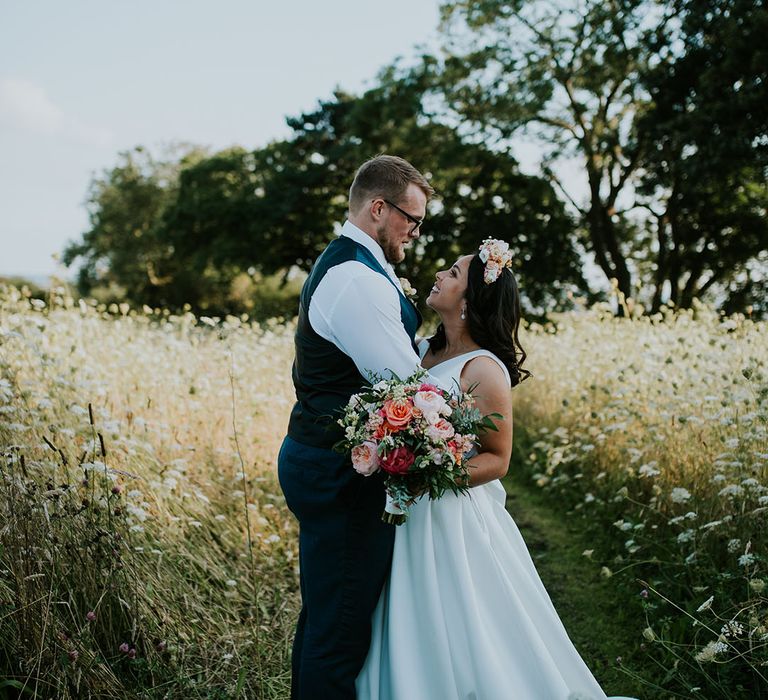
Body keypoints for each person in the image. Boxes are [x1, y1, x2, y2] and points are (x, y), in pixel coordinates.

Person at [356, 241, 637, 700]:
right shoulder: (418, 349)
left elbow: (497, 459)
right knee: (406, 609)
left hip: (449, 517)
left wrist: (430, 474)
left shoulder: (484, 369)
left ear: (466, 303)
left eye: (452, 273)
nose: (439, 276)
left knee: (459, 614)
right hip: (404, 511)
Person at [277, 155, 441, 700]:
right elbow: (404, 386)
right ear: (378, 208)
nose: (416, 232)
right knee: (341, 629)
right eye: (411, 219)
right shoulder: (354, 278)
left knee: (328, 615)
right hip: (337, 473)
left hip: (323, 460)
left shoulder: (357, 264)